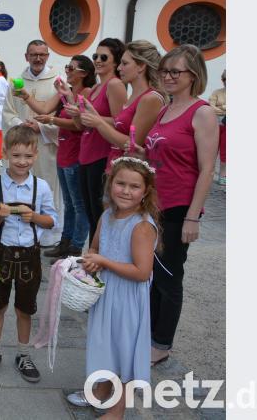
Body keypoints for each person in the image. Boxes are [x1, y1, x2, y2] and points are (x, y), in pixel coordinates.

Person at [65, 157, 159, 417]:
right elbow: (95, 247)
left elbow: (142, 272)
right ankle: (102, 391)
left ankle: (118, 409)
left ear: (146, 191)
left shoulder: (141, 226)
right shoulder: (107, 215)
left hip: (127, 298)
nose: (126, 191)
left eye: (134, 186)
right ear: (110, 184)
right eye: (120, 183)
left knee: (125, 350)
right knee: (107, 345)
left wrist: (104, 261)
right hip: (107, 293)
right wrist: (91, 260)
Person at [144, 44, 218, 367]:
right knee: (151, 274)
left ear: (193, 75)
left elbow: (207, 169)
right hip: (153, 205)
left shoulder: (201, 112)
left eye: (176, 71)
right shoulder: (165, 108)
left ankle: (161, 345)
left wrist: (193, 217)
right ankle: (148, 334)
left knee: (169, 277)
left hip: (178, 208)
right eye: (165, 70)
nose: (168, 76)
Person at [0, 125, 56, 383]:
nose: (22, 162)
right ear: (6, 153)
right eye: (17, 156)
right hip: (0, 253)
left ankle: (23, 354)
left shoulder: (41, 187)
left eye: (28, 156)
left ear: (36, 156)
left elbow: (51, 221)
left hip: (30, 256)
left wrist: (33, 217)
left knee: (25, 308)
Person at [24, 55, 96, 258]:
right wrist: (24, 95)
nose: (67, 71)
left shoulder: (87, 92)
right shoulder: (68, 91)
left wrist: (52, 120)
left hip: (76, 152)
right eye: (67, 66)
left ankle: (76, 246)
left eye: (71, 68)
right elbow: (45, 108)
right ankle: (65, 241)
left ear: (84, 73)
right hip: (63, 151)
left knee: (78, 204)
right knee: (68, 202)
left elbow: (79, 124)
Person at [63, 37, 128, 245]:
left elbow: (121, 122)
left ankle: (96, 259)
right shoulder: (98, 88)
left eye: (103, 57)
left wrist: (95, 119)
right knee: (91, 213)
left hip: (101, 155)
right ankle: (92, 257)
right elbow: (83, 125)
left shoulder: (115, 85)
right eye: (95, 56)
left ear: (116, 62)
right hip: (86, 154)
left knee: (98, 215)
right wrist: (72, 106)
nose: (97, 60)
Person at [2, 40, 62, 246]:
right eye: (33, 54)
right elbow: (7, 112)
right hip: (21, 145)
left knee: (47, 188)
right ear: (26, 56)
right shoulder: (17, 82)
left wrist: (42, 128)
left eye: (42, 54)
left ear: (47, 56)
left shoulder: (58, 83)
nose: (38, 58)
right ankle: (18, 229)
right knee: (21, 186)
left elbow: (62, 117)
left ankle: (48, 234)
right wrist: (21, 126)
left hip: (45, 146)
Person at [74, 40, 165, 173]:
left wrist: (99, 123)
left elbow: (132, 145)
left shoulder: (150, 98)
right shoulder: (134, 96)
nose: (119, 68)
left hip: (128, 172)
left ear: (141, 66)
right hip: (114, 167)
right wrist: (92, 114)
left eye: (125, 63)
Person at [208, 69, 226, 185]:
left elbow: (215, 106)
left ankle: (223, 175)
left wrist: (220, 107)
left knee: (225, 150)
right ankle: (208, 173)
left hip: (227, 124)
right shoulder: (216, 92)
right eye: (225, 79)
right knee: (211, 150)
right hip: (215, 123)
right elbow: (210, 105)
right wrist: (225, 108)